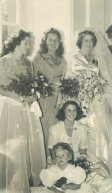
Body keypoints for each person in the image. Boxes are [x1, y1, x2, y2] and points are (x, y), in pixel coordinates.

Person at [66, 28, 112, 176]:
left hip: (96, 100)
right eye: (86, 41)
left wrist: (100, 88)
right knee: (83, 130)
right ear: (80, 42)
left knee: (99, 130)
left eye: (91, 41)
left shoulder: (95, 59)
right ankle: (82, 167)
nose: (88, 43)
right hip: (80, 100)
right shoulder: (75, 58)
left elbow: (103, 79)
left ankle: (99, 165)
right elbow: (69, 81)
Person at [0, 29, 46, 193]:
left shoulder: (28, 64)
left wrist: (33, 95)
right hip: (9, 110)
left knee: (24, 147)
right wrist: (17, 96)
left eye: (30, 43)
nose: (29, 47)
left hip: (25, 109)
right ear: (16, 43)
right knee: (13, 148)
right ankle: (13, 190)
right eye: (27, 43)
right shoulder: (3, 62)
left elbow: (33, 85)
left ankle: (21, 187)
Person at [22, 142, 93, 193]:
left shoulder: (74, 170)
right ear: (54, 158)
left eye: (63, 155)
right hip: (55, 191)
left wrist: (68, 187)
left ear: (69, 157)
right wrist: (58, 192)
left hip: (72, 191)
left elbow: (78, 186)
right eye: (57, 156)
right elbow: (49, 186)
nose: (60, 158)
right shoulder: (52, 170)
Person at [33, 28, 67, 156]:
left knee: (57, 131)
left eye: (56, 40)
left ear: (59, 43)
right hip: (44, 100)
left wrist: (62, 91)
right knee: (44, 130)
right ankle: (44, 161)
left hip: (58, 99)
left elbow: (64, 79)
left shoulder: (62, 60)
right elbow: (32, 80)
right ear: (45, 42)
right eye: (50, 40)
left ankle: (56, 162)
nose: (53, 43)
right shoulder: (39, 58)